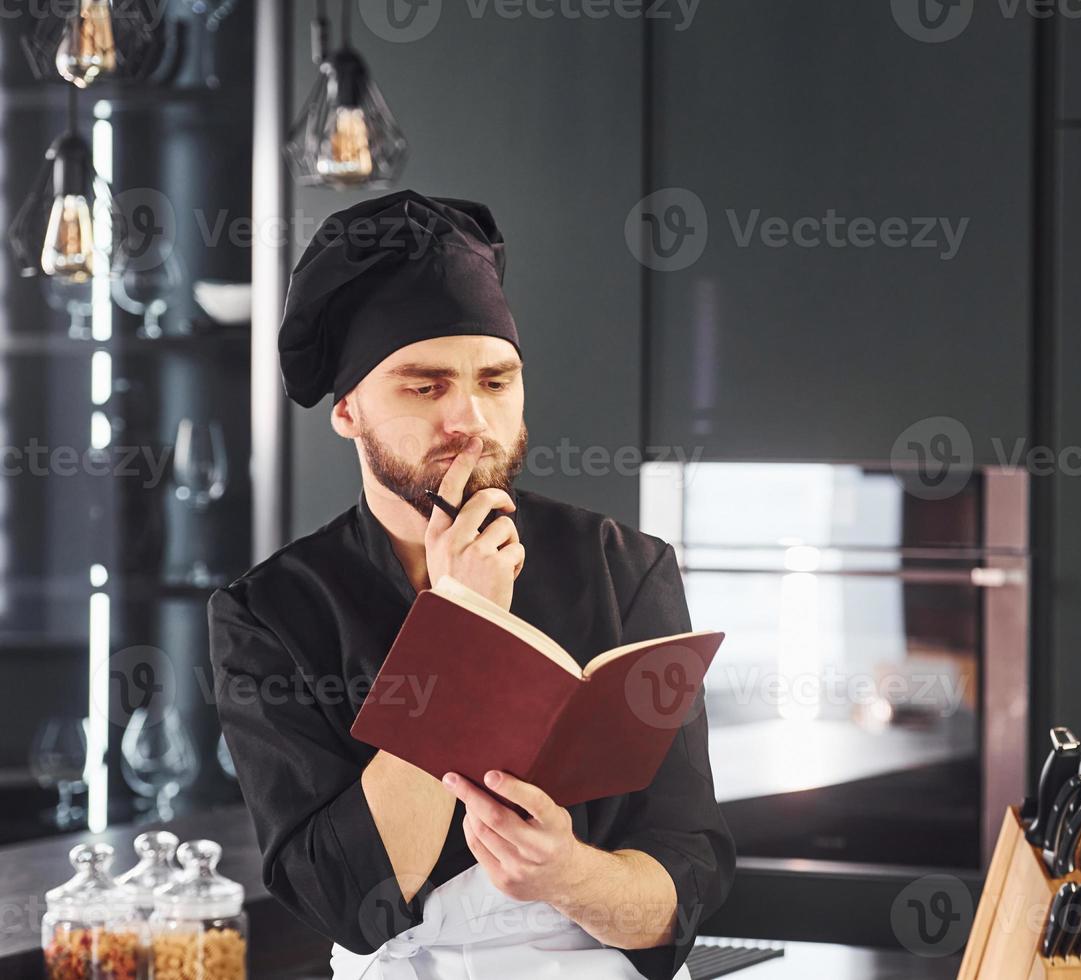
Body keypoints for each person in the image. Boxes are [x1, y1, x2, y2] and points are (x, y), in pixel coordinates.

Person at [207, 189, 735, 980]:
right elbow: (346, 901)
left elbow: (685, 883)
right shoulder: (270, 613)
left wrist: (568, 874)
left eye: (495, 381)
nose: (471, 421)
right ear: (347, 409)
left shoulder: (624, 567)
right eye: (425, 387)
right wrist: (461, 627)